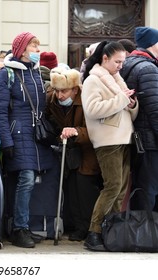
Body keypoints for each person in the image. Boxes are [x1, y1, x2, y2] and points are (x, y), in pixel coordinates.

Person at [0, 32, 53, 248]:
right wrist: (6, 140)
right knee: (26, 178)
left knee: (30, 179)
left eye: (38, 45)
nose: (38, 50)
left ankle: (23, 225)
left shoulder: (36, 74)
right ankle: (18, 228)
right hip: (17, 133)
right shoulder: (6, 74)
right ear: (22, 50)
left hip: (35, 135)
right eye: (34, 46)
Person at [81, 41, 138, 251]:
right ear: (104, 58)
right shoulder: (93, 80)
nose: (121, 66)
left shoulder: (116, 78)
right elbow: (93, 109)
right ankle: (94, 232)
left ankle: (110, 231)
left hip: (123, 138)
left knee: (120, 189)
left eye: (123, 62)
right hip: (108, 140)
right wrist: (122, 100)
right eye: (117, 61)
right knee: (113, 186)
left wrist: (132, 104)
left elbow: (123, 106)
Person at [46, 67, 102, 241]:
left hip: (88, 152)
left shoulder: (86, 101)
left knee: (84, 189)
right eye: (56, 90)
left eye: (64, 91)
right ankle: (75, 225)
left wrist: (76, 132)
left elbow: (96, 130)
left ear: (75, 89)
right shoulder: (52, 101)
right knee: (70, 190)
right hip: (69, 152)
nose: (59, 95)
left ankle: (86, 227)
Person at [120, 27, 158, 212]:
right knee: (149, 190)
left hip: (135, 137)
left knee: (140, 188)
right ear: (153, 44)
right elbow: (155, 109)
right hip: (150, 140)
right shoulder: (148, 68)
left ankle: (139, 232)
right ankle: (146, 235)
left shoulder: (127, 63)